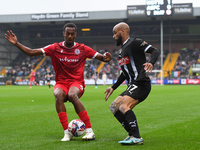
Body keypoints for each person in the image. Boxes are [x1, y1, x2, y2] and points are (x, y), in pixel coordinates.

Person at [5, 23, 112, 141]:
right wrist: (16, 43)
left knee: (72, 95)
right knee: (57, 95)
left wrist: (107, 57)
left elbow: (102, 58)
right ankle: (67, 133)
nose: (70, 36)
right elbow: (31, 52)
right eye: (67, 34)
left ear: (75, 35)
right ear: (64, 34)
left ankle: (89, 131)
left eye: (72, 34)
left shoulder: (83, 48)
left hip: (76, 82)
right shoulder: (55, 48)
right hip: (61, 82)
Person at [104, 22, 159, 145]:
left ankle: (137, 137)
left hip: (141, 83)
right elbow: (124, 73)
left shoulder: (135, 42)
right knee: (114, 107)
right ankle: (131, 134)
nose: (113, 36)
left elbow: (155, 51)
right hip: (132, 85)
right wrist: (113, 87)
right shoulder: (121, 51)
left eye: (115, 33)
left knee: (124, 105)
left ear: (122, 31)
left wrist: (151, 62)